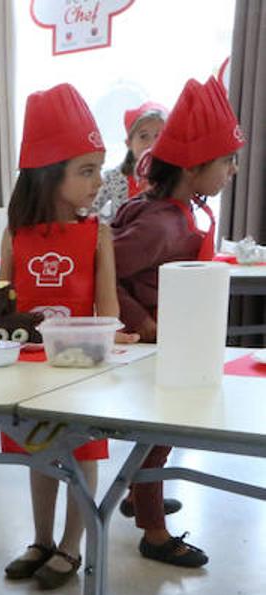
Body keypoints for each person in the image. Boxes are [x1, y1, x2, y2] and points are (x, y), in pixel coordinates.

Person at [0, 84, 135, 590]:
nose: (98, 182)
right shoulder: (16, 233)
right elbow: (3, 303)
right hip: (32, 366)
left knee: (81, 452)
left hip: (81, 363)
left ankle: (72, 546)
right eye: (86, 170)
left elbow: (109, 306)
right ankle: (41, 539)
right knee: (39, 450)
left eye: (97, 169)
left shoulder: (95, 233)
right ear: (47, 173)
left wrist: (117, 342)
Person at [111, 78, 242, 570]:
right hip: (152, 347)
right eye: (226, 161)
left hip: (172, 341)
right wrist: (142, 321)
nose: (232, 171)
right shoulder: (158, 224)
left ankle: (136, 499)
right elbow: (105, 271)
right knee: (156, 440)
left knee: (158, 440)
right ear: (192, 166)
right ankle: (154, 532)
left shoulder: (181, 211)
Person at [94, 102, 167, 224]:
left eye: (158, 137)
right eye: (144, 136)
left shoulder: (173, 179)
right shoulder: (113, 178)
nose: (152, 144)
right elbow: (89, 209)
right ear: (129, 143)